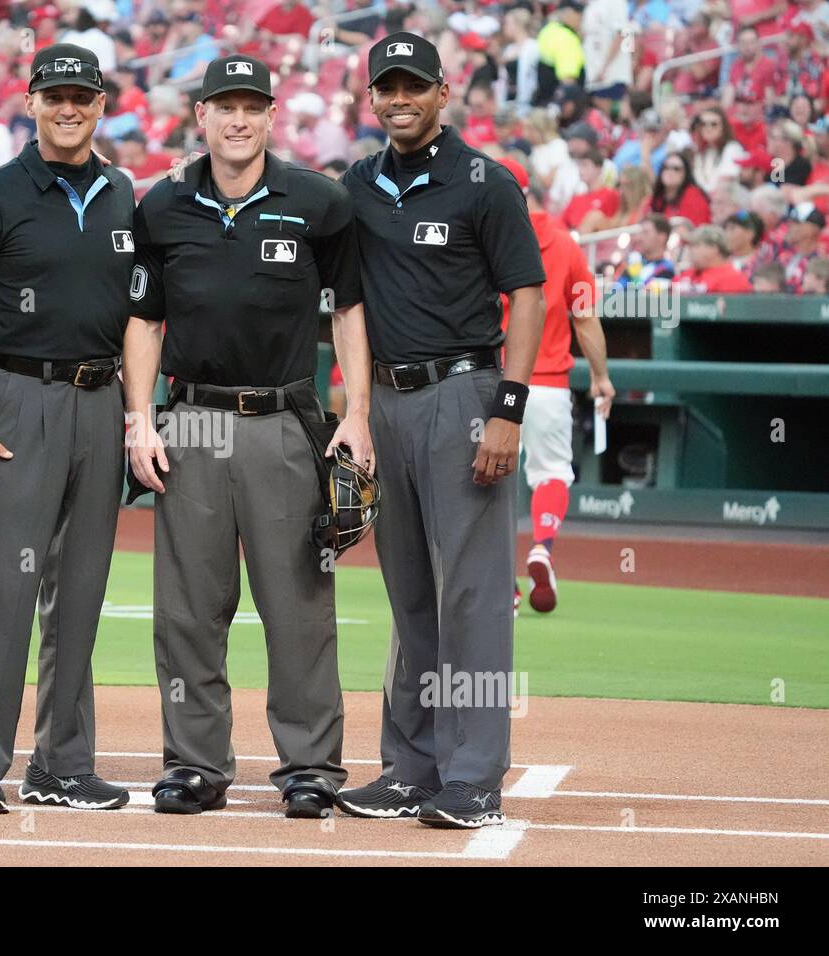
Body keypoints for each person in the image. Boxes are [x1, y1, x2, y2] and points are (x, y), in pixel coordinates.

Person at [126, 55, 367, 820]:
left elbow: (349, 312)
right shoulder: (162, 205)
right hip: (190, 418)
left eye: (251, 107)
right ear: (200, 115)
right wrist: (140, 417)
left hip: (283, 420)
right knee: (188, 611)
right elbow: (141, 321)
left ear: (271, 115)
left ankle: (310, 768)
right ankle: (195, 766)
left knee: (298, 605)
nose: (238, 120)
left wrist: (355, 412)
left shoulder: (320, 202)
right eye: (224, 106)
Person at [335, 33, 546, 828]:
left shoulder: (486, 183)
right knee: (411, 596)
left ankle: (473, 774)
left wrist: (508, 409)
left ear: (443, 91)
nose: (399, 98)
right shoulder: (355, 184)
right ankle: (410, 766)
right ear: (372, 97)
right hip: (387, 401)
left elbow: (526, 295)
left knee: (475, 597)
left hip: (465, 394)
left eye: (413, 86)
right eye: (386, 87)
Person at [0, 44, 136, 815]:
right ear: (31, 101)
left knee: (81, 594)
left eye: (82, 95)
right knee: (1, 593)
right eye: (55, 94)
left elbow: (142, 319)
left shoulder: (124, 193)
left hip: (98, 399)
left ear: (99, 105)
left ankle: (63, 764)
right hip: (14, 395)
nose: (69, 106)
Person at [499, 160, 615, 615]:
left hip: (494, 380)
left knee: (489, 482)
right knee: (551, 474)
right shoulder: (565, 243)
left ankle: (501, 583)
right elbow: (585, 317)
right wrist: (602, 378)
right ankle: (542, 545)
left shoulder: (483, 238)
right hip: (548, 384)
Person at [677, 225, 755, 293]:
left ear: (714, 249)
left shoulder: (733, 280)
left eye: (695, 246)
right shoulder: (687, 273)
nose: (690, 250)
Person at [650, 151, 711, 225]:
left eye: (676, 169)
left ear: (685, 174)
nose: (670, 172)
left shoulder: (694, 197)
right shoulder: (655, 198)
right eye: (665, 167)